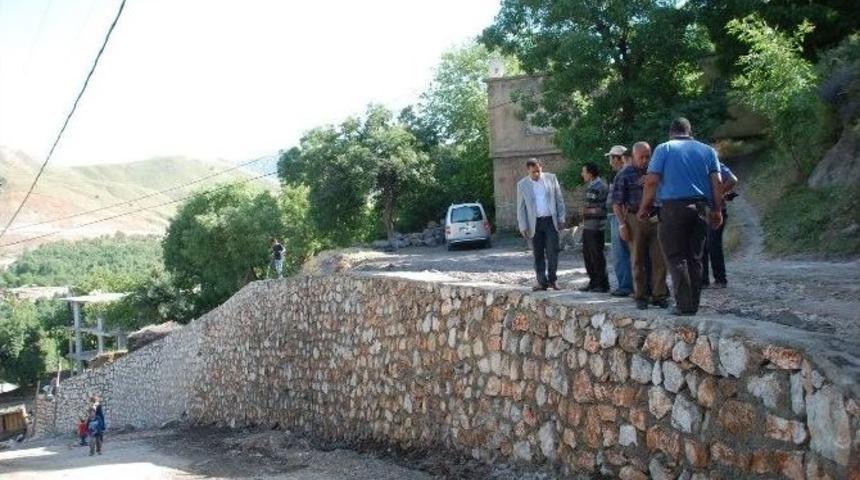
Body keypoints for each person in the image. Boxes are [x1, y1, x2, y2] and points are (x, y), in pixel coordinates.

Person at [637, 117, 723, 316]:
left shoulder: (664, 149)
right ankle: (693, 304)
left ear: (671, 132)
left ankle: (684, 305)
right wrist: (717, 209)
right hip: (700, 208)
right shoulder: (707, 150)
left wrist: (644, 207)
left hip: (673, 208)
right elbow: (717, 181)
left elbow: (651, 181)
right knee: (695, 257)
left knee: (676, 257)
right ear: (689, 131)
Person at [614, 142, 669, 309]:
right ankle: (641, 296)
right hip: (634, 218)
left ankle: (659, 295)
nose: (645, 160)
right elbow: (617, 203)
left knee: (659, 258)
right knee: (637, 259)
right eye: (641, 157)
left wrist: (654, 181)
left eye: (647, 156)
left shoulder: (656, 172)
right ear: (633, 156)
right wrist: (622, 225)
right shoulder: (624, 174)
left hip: (656, 217)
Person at [516, 158, 567, 291]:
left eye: (538, 171)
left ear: (541, 168)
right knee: (538, 254)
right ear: (528, 171)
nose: (536, 174)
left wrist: (561, 218)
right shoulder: (522, 185)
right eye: (533, 172)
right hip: (535, 224)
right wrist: (523, 226)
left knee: (552, 252)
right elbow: (520, 208)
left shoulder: (551, 178)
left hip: (551, 221)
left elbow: (559, 199)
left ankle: (553, 280)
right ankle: (541, 282)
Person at [702, 162, 738, 289]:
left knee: (712, 244)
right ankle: (704, 280)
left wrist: (718, 192)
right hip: (705, 210)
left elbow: (733, 179)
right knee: (704, 244)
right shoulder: (709, 164)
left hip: (714, 210)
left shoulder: (714, 164)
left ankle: (720, 279)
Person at [605, 145, 633, 297]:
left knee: (620, 253)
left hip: (620, 217)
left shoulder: (622, 174)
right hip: (620, 217)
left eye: (611, 157)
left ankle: (625, 285)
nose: (610, 161)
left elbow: (619, 201)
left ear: (616, 158)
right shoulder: (625, 173)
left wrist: (622, 222)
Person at [579, 162, 610, 293]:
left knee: (596, 254)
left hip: (596, 227)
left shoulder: (600, 186)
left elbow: (601, 208)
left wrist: (586, 211)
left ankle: (601, 284)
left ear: (590, 173)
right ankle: (593, 281)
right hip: (588, 226)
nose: (582, 174)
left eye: (584, 172)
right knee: (588, 254)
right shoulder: (591, 186)